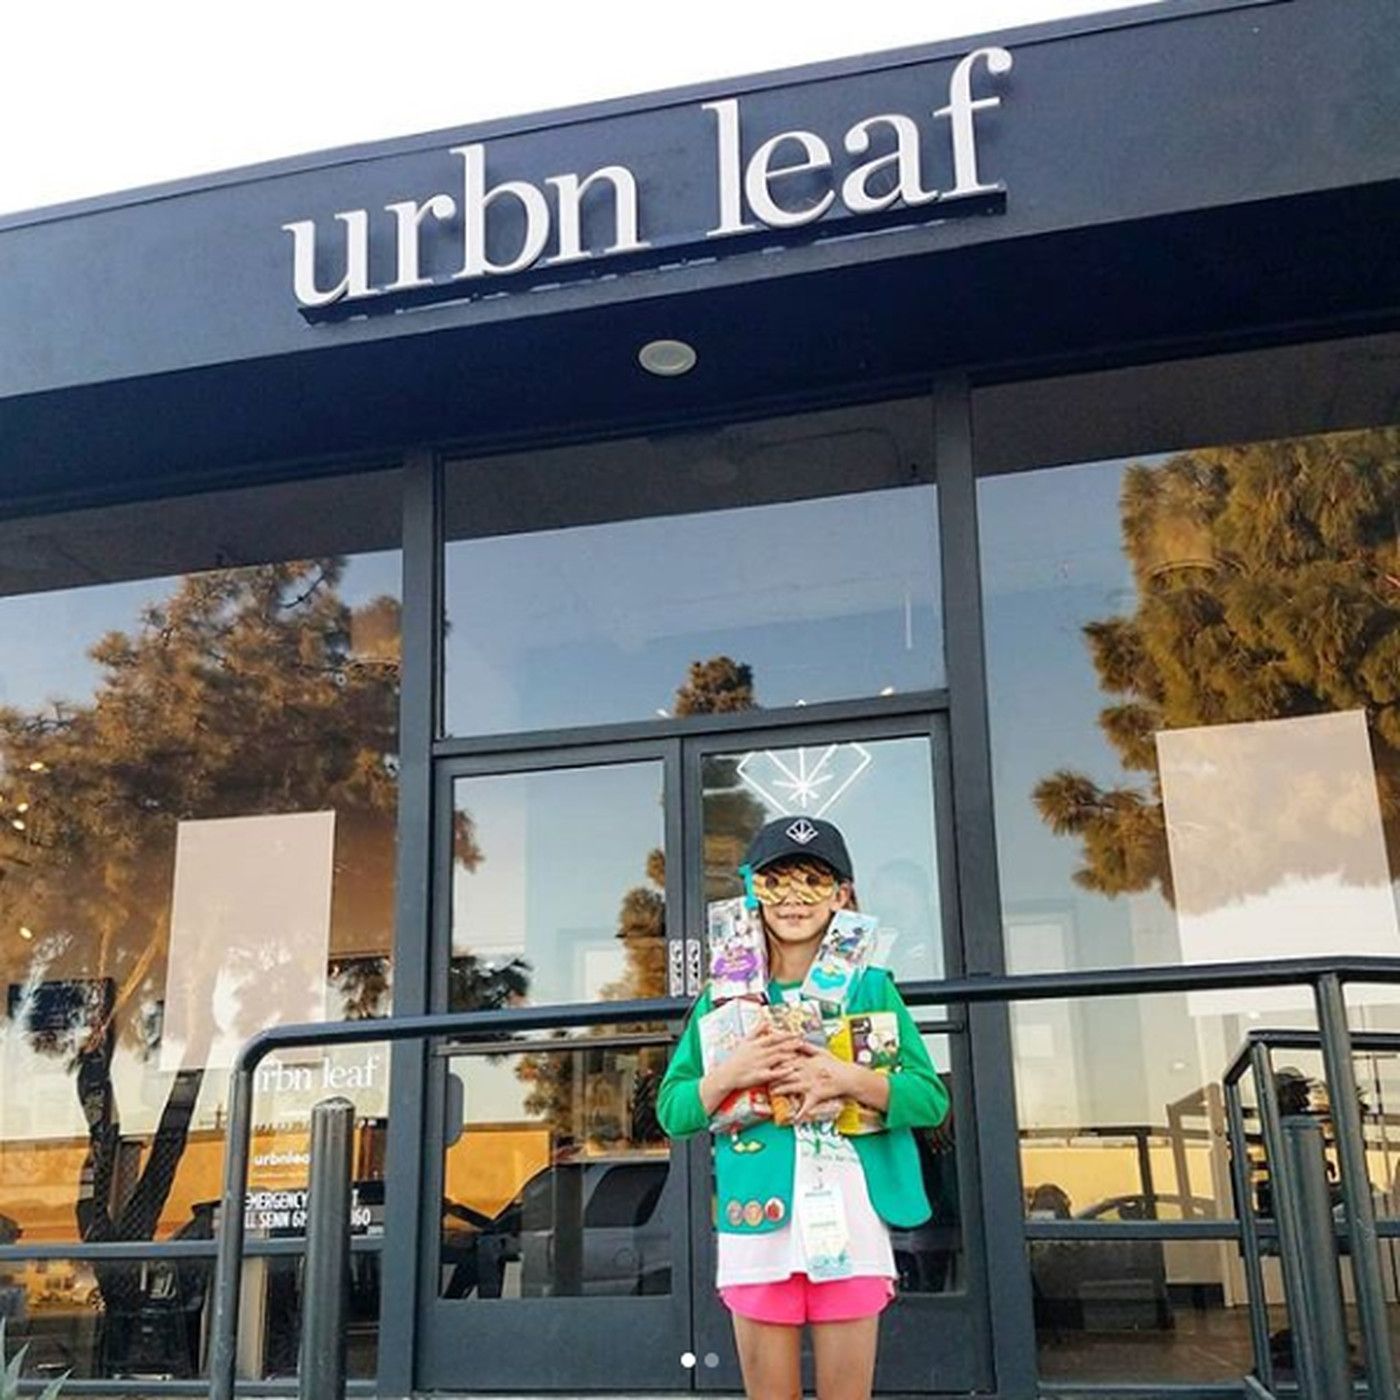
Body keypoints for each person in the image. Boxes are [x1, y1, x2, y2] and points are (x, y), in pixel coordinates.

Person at [658, 816, 950, 1400]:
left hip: (852, 1220)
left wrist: (848, 1078)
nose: (793, 898)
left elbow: (929, 1098)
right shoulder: (724, 999)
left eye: (813, 880)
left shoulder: (871, 988)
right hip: (756, 1221)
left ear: (842, 895)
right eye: (776, 882)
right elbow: (674, 1108)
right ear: (752, 894)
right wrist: (732, 1074)